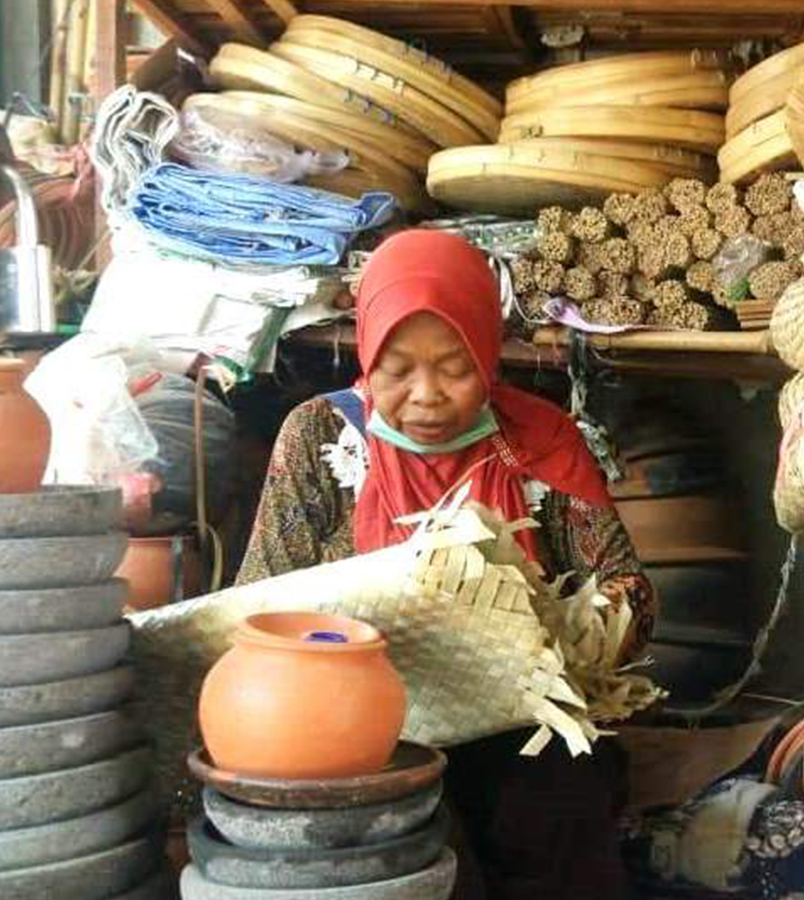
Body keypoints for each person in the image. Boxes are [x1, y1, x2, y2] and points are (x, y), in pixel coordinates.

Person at [236, 229, 655, 900]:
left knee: (557, 801)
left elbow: (625, 587)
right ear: (366, 352)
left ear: (488, 351)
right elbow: (258, 603)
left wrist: (566, 639)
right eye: (397, 369)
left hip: (514, 716)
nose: (426, 394)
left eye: (455, 367)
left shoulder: (539, 440)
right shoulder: (318, 435)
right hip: (358, 716)